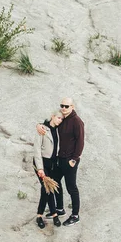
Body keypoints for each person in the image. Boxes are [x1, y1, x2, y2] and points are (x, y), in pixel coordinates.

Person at [37, 97, 85, 226]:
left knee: (71, 187)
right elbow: (48, 123)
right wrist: (38, 125)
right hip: (60, 159)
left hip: (70, 160)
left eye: (66, 106)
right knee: (56, 183)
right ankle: (60, 209)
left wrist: (74, 160)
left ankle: (75, 215)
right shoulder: (62, 119)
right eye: (62, 105)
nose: (63, 108)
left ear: (72, 107)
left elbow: (80, 142)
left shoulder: (77, 121)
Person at [32, 110, 64, 229]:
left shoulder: (59, 130)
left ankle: (42, 215)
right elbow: (37, 150)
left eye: (62, 119)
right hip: (41, 163)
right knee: (47, 188)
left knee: (48, 188)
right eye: (58, 118)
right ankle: (49, 215)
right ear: (52, 116)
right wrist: (40, 168)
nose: (60, 120)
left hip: (52, 164)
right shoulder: (43, 130)